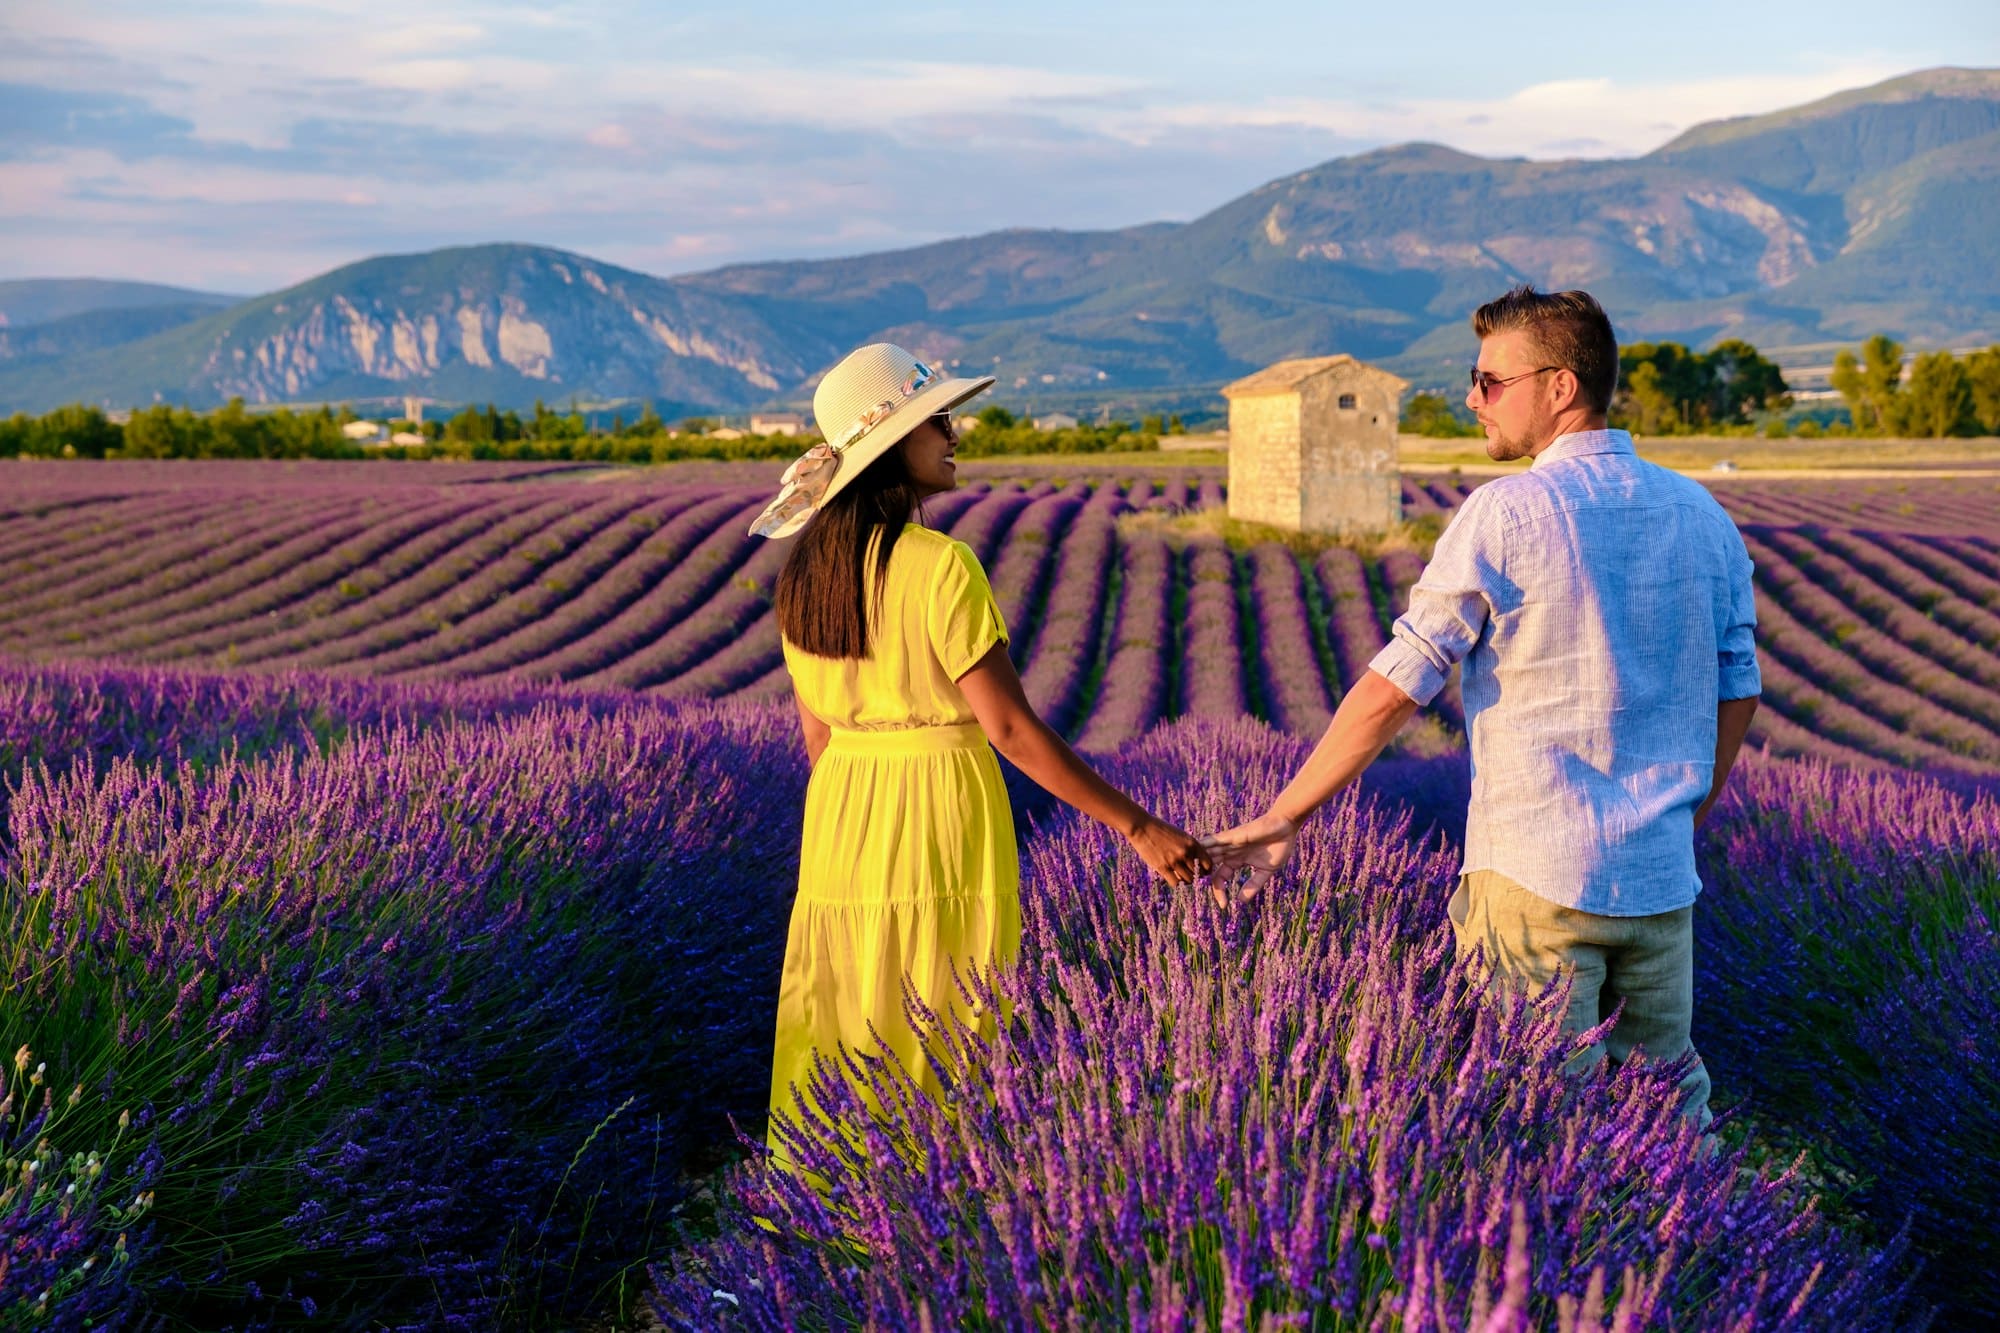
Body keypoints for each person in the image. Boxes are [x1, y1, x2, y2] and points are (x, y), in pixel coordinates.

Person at [1204, 287, 1761, 1126]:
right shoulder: (1702, 513)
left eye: (1490, 381)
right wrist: (1682, 810)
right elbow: (1739, 687)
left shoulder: (1508, 512)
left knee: (1534, 1121)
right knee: (1670, 1124)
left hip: (1535, 882)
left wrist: (1286, 816)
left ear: (1561, 387)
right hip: (1659, 889)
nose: (1472, 399)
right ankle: (1700, 1259)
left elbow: (1399, 685)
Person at [753, 342, 1211, 1151]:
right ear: (893, 445)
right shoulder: (941, 566)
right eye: (938, 420)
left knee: (843, 1009)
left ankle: (828, 1221)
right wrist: (1139, 827)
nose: (955, 432)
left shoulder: (804, 575)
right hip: (935, 812)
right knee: (939, 1010)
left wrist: (856, 825)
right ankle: (930, 1218)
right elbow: (1010, 730)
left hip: (841, 819)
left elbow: (818, 737)